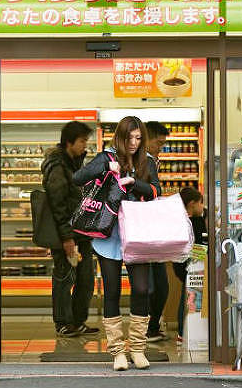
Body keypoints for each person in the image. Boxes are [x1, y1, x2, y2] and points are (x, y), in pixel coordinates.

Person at [73, 116, 160, 371]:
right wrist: (104, 169)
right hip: (108, 232)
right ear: (120, 137)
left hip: (138, 233)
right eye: (130, 137)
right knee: (111, 291)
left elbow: (156, 191)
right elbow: (78, 178)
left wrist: (135, 182)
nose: (134, 143)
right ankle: (117, 352)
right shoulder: (105, 157)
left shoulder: (148, 161)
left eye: (138, 138)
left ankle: (138, 348)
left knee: (142, 288)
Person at [41, 120, 97, 338]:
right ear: (69, 142)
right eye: (82, 141)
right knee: (65, 278)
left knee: (85, 279)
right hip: (66, 235)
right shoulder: (57, 167)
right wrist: (66, 238)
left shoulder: (75, 164)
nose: (85, 145)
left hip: (82, 232)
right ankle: (63, 323)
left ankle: (77, 320)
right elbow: (58, 205)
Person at [144, 121, 170, 342]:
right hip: (146, 232)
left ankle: (149, 327)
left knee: (156, 284)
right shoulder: (145, 162)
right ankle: (147, 328)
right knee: (156, 285)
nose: (160, 147)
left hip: (147, 230)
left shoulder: (147, 161)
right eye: (158, 143)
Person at [172, 186, 208, 345]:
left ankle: (182, 332)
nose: (203, 206)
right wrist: (200, 264)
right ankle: (183, 331)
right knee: (188, 297)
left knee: (185, 295)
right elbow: (200, 245)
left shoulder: (178, 219)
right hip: (191, 264)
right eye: (201, 203)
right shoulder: (196, 221)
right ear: (192, 203)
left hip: (180, 263)